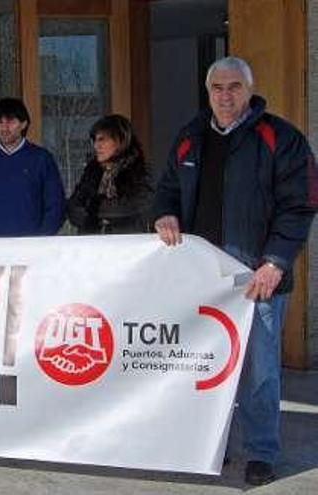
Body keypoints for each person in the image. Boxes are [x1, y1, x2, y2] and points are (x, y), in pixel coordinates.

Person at [152, 56, 318, 486]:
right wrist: (165, 214)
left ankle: (261, 452)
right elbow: (167, 189)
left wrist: (275, 262)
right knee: (206, 365)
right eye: (217, 89)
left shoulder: (280, 138)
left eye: (234, 88)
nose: (225, 97)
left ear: (249, 89)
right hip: (204, 282)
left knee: (260, 370)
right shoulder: (190, 138)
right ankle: (213, 443)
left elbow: (299, 207)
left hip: (258, 279)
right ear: (208, 93)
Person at [0, 97, 65, 237]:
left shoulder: (42, 159)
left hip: (32, 250)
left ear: (24, 124)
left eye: (10, 121)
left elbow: (56, 205)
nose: (4, 127)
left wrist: (40, 241)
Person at [67, 114, 152, 234]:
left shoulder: (138, 173)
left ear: (120, 141)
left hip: (127, 246)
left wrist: (94, 210)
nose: (96, 146)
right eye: (95, 140)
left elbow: (138, 210)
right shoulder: (91, 173)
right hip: (92, 245)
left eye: (102, 139)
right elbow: (73, 209)